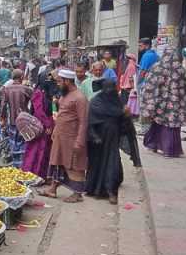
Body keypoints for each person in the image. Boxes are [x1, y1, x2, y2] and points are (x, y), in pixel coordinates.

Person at [39, 69, 88, 203]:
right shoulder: (64, 95)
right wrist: (55, 131)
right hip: (60, 137)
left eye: (60, 82)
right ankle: (52, 189)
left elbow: (84, 121)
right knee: (57, 163)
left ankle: (77, 194)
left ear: (67, 81)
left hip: (72, 138)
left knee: (74, 165)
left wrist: (80, 141)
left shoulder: (79, 98)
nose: (58, 84)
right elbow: (61, 114)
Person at [141, 52, 186, 157]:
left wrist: (150, 99)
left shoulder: (158, 67)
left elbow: (150, 83)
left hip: (160, 104)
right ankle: (169, 150)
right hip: (174, 105)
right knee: (172, 126)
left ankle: (153, 145)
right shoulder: (180, 69)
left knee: (158, 123)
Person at [86, 79, 129, 204]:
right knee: (97, 164)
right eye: (107, 90)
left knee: (112, 163)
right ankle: (94, 188)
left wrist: (126, 115)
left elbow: (124, 124)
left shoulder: (118, 102)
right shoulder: (95, 102)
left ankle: (111, 191)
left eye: (112, 90)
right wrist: (94, 136)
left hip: (113, 140)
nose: (110, 92)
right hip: (98, 141)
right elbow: (90, 123)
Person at [21, 71, 55, 179]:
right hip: (41, 125)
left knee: (45, 152)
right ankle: (32, 174)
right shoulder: (38, 93)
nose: (50, 81)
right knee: (36, 151)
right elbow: (39, 111)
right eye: (48, 79)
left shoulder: (50, 92)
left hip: (48, 125)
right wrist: (48, 124)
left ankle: (42, 175)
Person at [1, 69, 33, 168]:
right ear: (22, 77)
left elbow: (3, 107)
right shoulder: (26, 89)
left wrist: (3, 119)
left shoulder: (7, 89)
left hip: (12, 121)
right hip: (24, 121)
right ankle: (22, 166)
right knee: (23, 143)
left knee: (13, 143)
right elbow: (35, 102)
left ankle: (15, 166)